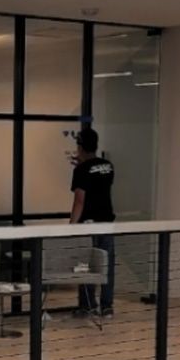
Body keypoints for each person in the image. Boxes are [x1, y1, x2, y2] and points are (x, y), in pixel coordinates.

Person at [69, 128, 115, 318]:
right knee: (106, 265)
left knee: (87, 265)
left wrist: (71, 226)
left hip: (89, 224)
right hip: (107, 222)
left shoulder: (80, 170)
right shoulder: (108, 166)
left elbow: (79, 201)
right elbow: (100, 187)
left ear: (80, 147)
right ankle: (107, 306)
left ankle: (87, 305)